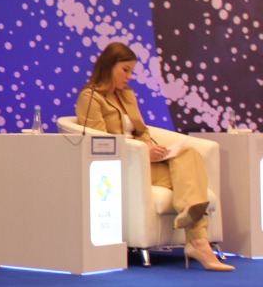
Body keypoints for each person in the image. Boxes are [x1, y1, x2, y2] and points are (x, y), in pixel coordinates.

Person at [76, 42, 233, 271]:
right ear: (108, 66)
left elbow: (142, 130)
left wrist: (149, 145)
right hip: (125, 164)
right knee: (192, 181)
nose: (129, 77)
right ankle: (198, 240)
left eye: (131, 71)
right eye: (125, 70)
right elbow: (101, 143)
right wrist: (141, 151)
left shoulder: (127, 95)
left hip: (144, 158)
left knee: (188, 153)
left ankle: (195, 231)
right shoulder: (90, 98)